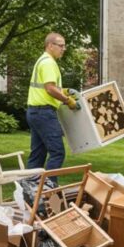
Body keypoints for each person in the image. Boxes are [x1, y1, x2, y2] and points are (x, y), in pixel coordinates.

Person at [26, 32, 80, 181]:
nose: (63, 49)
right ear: (50, 45)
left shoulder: (42, 61)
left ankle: (30, 192)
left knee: (37, 155)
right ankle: (48, 191)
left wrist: (63, 91)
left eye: (64, 46)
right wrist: (68, 100)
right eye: (61, 46)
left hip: (35, 112)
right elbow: (50, 89)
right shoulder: (49, 63)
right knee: (57, 152)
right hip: (44, 113)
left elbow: (48, 88)